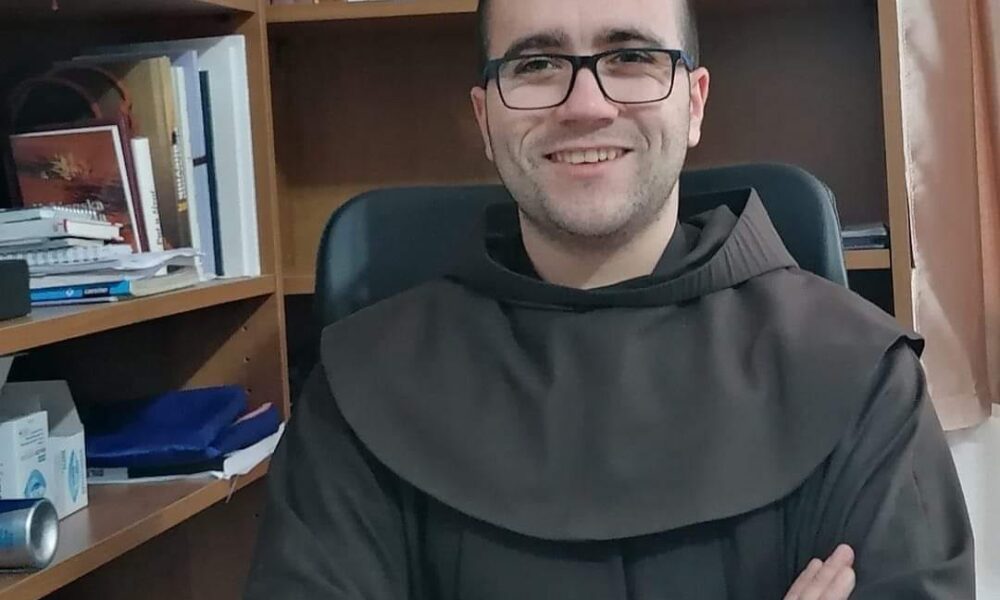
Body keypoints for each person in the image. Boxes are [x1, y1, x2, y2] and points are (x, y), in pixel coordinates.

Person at [243, 0, 976, 597]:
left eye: (631, 58)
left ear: (694, 103)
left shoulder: (860, 376)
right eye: (536, 65)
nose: (586, 105)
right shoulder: (360, 389)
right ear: (485, 119)